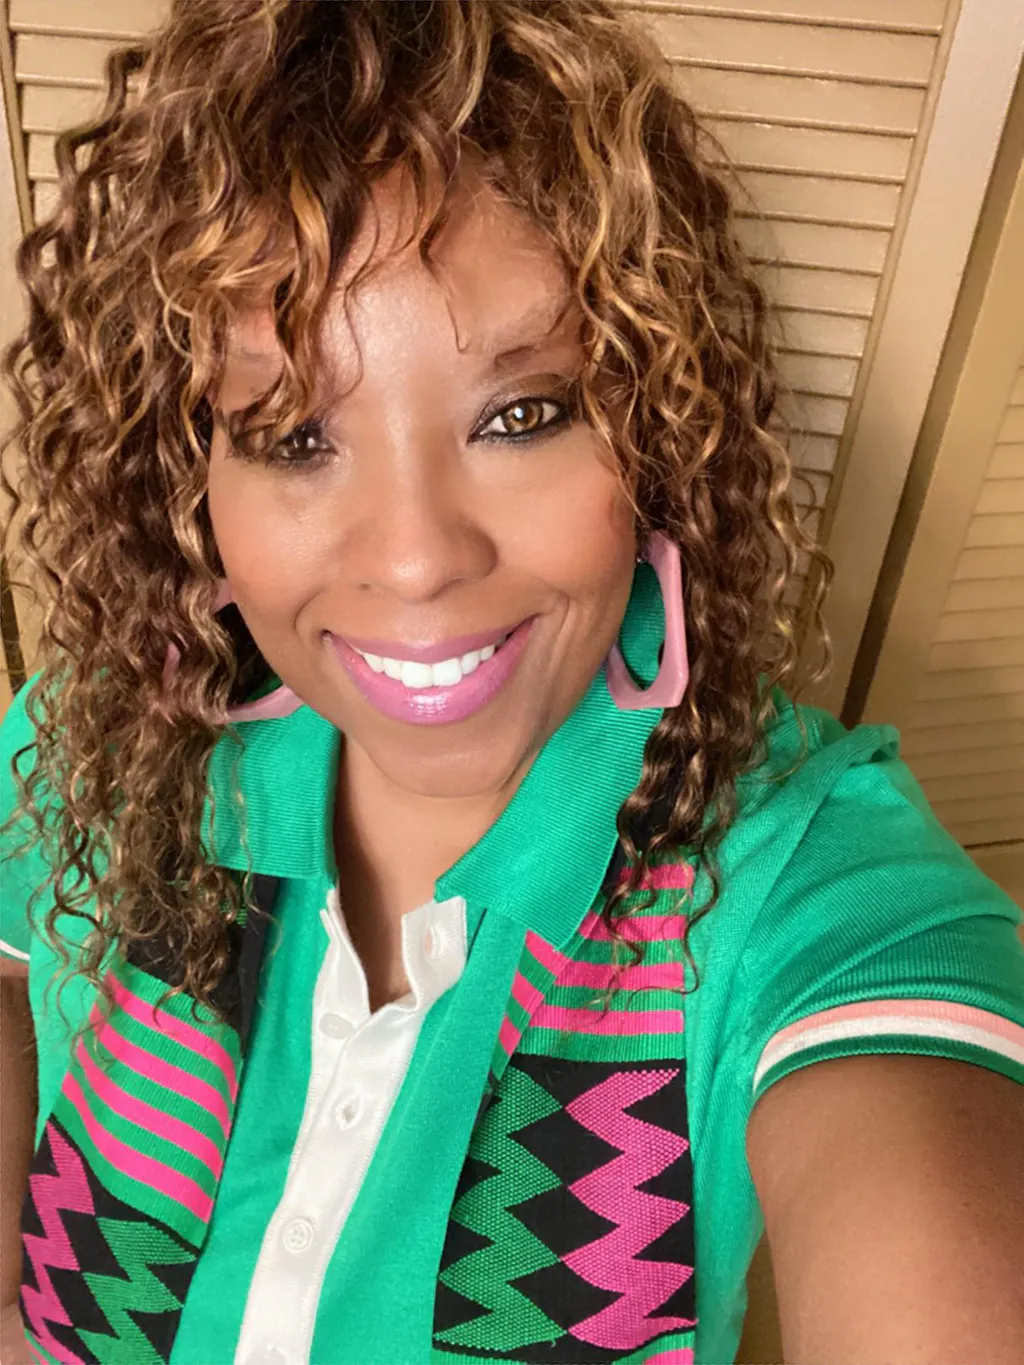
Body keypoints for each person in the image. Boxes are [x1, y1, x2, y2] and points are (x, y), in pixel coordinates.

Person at [1, 2, 1022, 1363]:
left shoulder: (799, 870)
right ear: (189, 481)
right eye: (293, 434)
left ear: (657, 430)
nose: (417, 559)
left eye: (522, 415)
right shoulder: (93, 735)